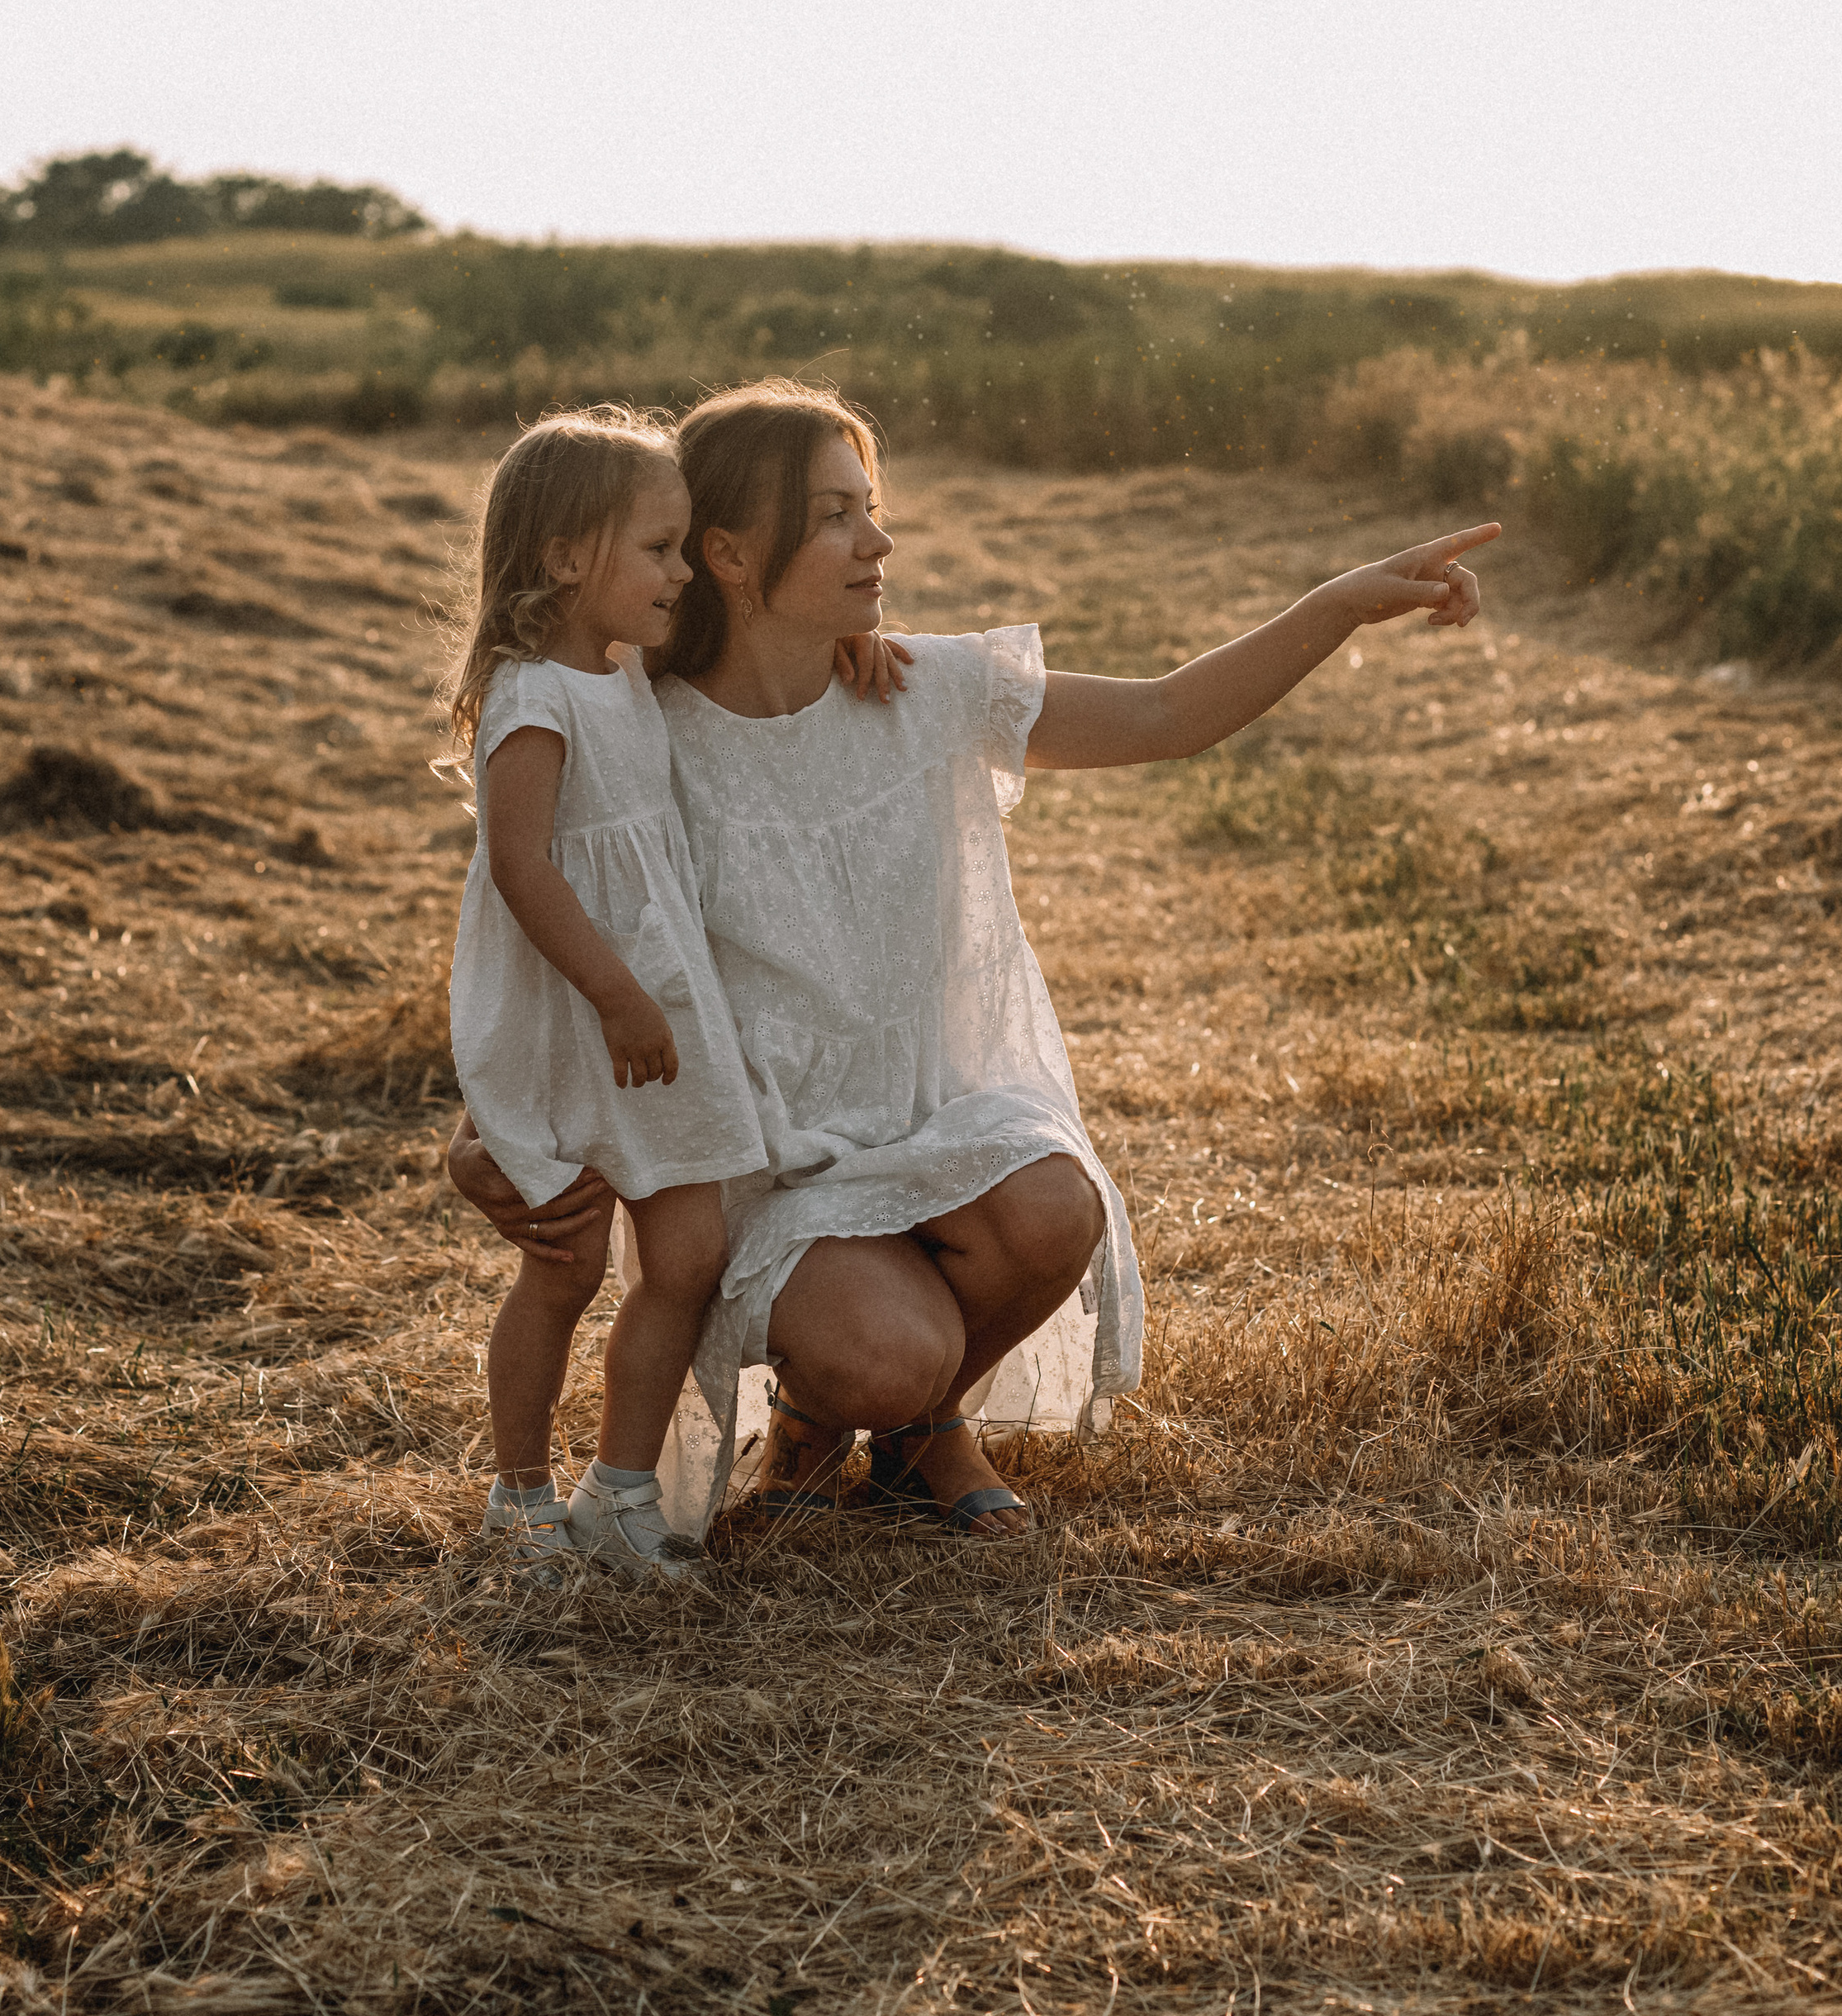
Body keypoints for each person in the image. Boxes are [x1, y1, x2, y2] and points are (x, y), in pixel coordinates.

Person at [449, 378, 1498, 1546]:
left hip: (932, 1116)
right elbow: (544, 898)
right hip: (780, 1169)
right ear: (730, 555)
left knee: (1056, 1207)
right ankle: (826, 1413)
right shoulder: (642, 729)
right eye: (837, 515)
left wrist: (1343, 602)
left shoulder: (923, 688)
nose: (878, 540)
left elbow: (1166, 716)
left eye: (872, 506)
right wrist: (488, 1124)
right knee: (884, 1355)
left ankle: (925, 1432)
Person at [444, 408, 770, 1584]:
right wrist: (617, 993)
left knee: (687, 1251)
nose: (683, 572)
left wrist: (863, 654)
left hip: (656, 1012)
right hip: (581, 1014)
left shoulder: (627, 671)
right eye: (659, 548)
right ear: (567, 557)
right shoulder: (533, 696)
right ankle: (519, 1494)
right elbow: (522, 867)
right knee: (567, 1260)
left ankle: (622, 1491)